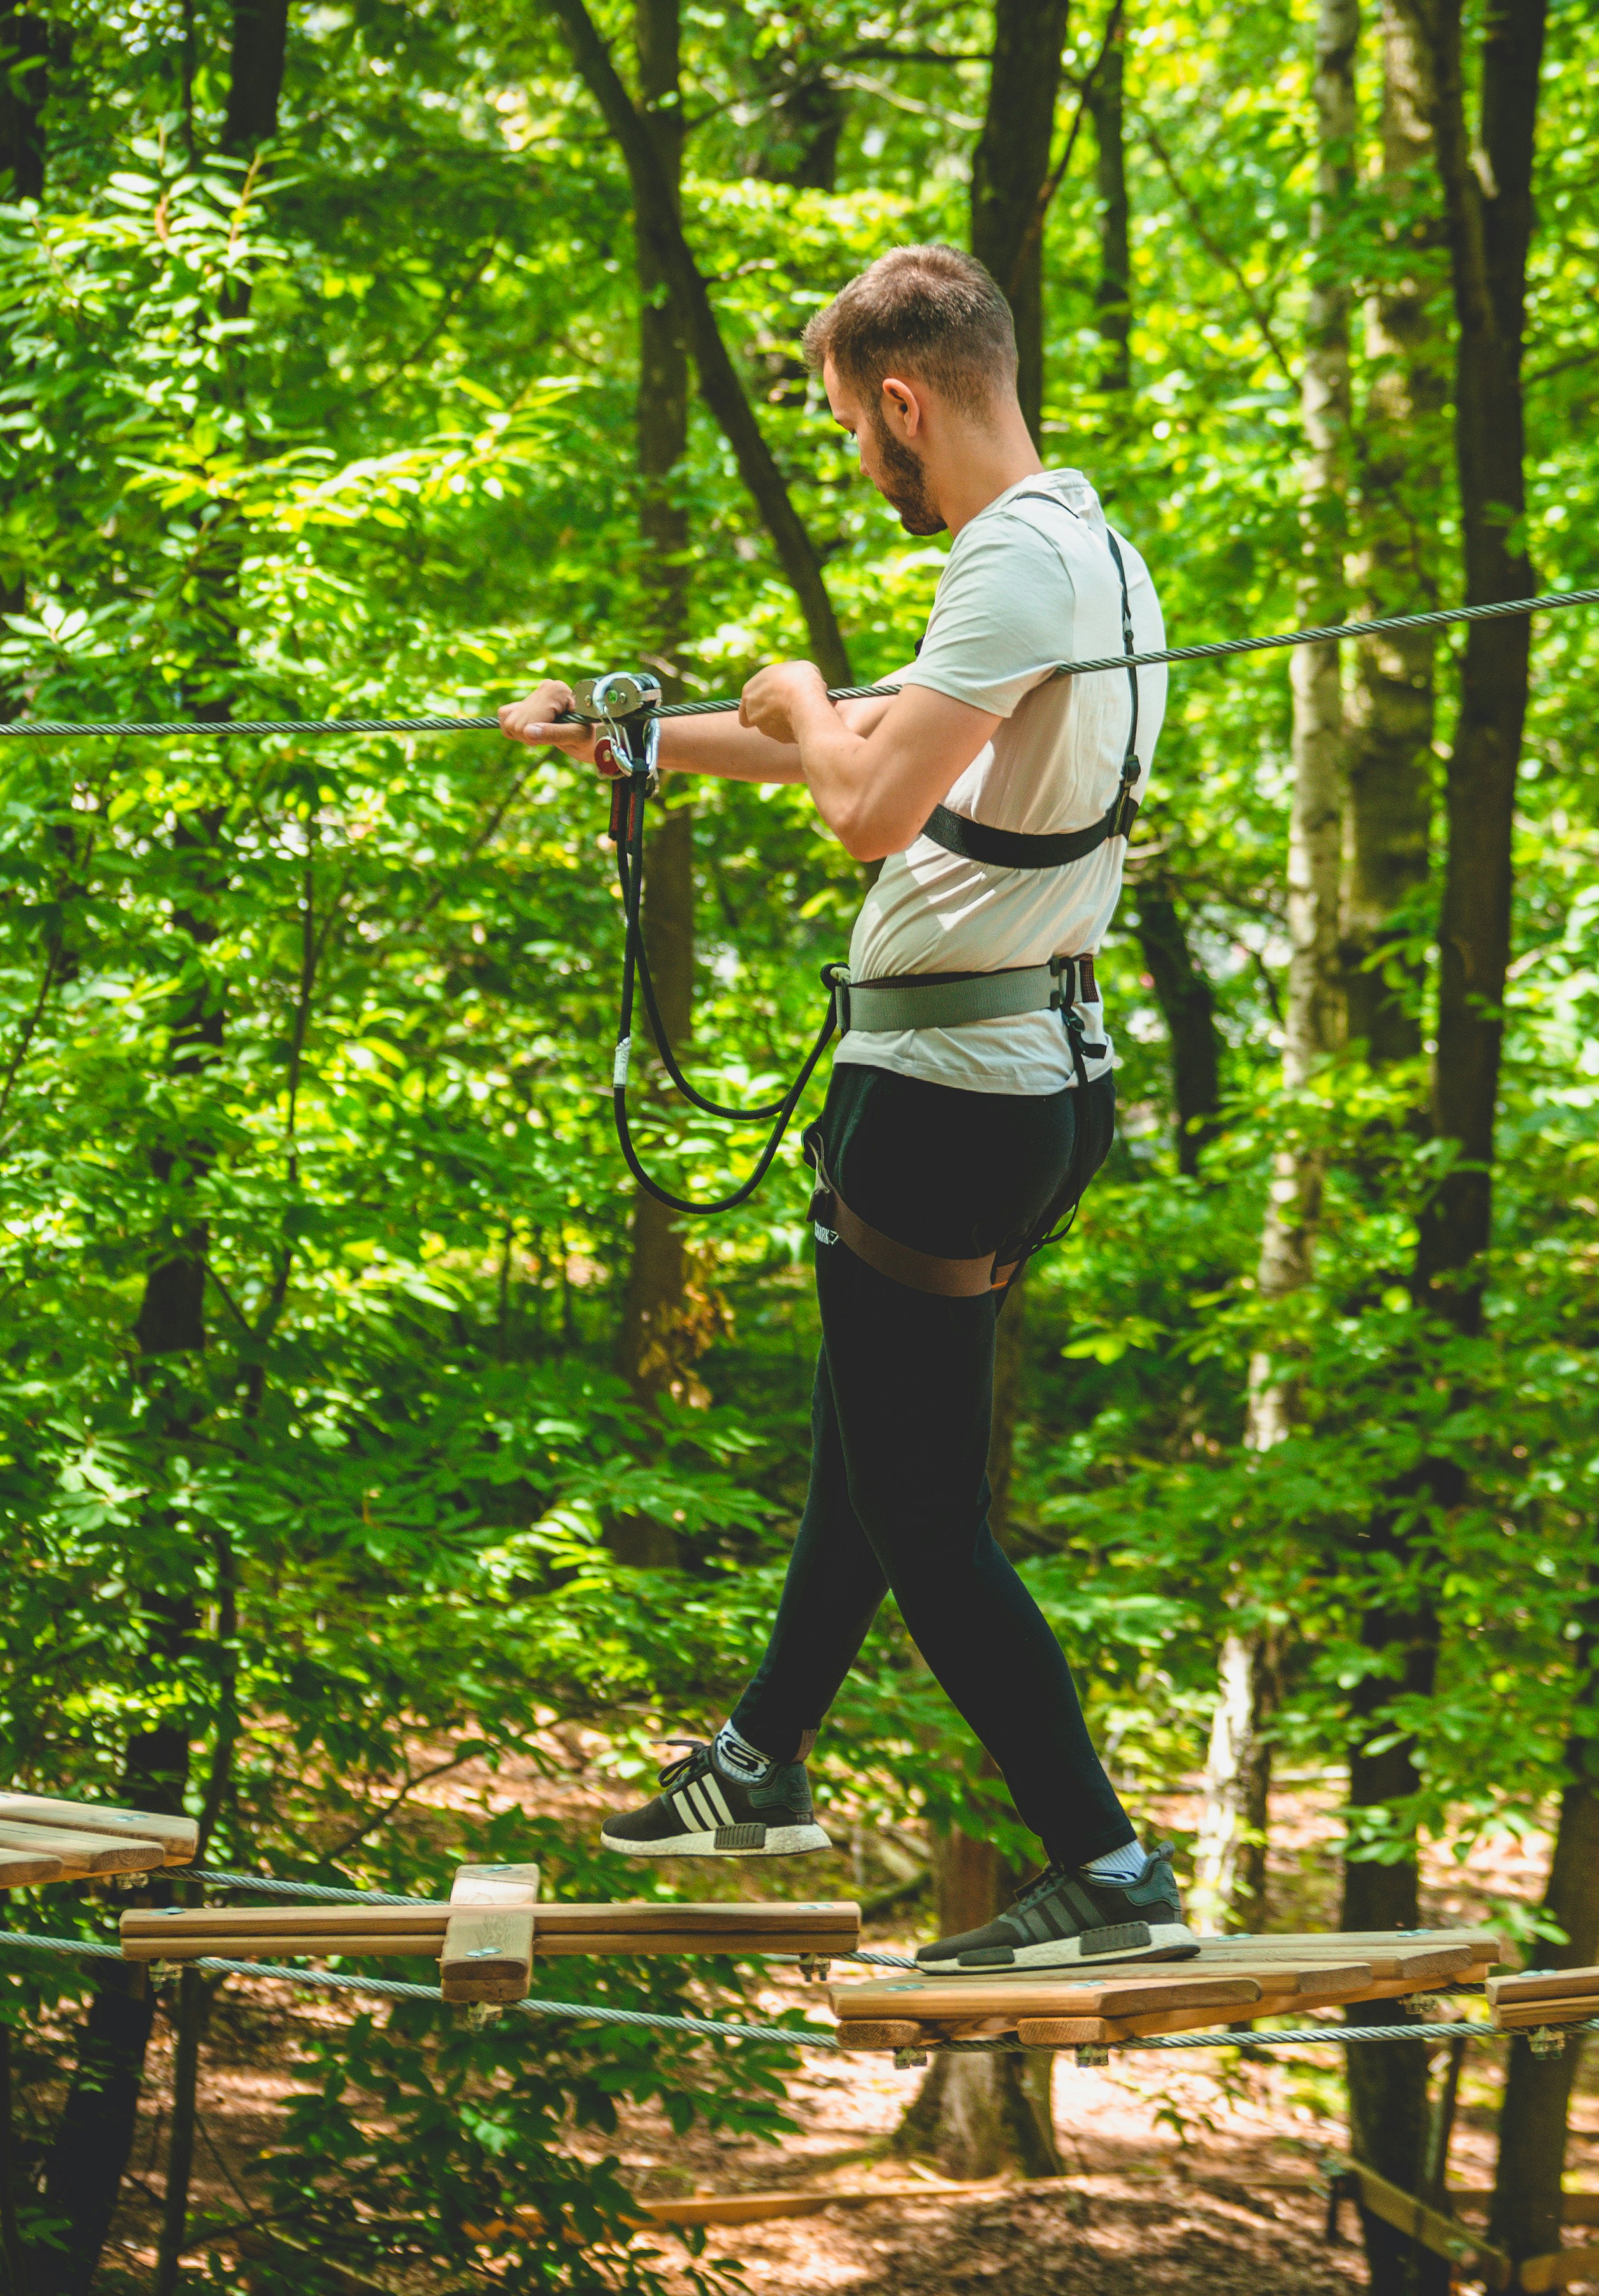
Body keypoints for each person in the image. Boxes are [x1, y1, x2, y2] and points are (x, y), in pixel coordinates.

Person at [502, 246, 1191, 1972]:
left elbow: (865, 799)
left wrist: (794, 693)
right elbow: (900, 740)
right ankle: (759, 1761)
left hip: (948, 1099)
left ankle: (1108, 1870)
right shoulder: (1094, 556)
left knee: (927, 1520)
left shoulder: (1006, 560)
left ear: (901, 402)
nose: (855, 462)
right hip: (1018, 1085)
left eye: (846, 431)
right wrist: (638, 745)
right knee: (872, 1458)